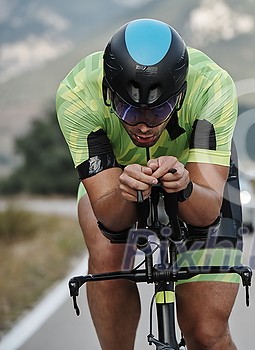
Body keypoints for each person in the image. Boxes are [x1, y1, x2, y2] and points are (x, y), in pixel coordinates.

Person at [56, 18, 243, 350]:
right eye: (127, 110)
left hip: (194, 170)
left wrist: (185, 186)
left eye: (159, 112)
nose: (143, 126)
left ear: (181, 97)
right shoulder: (77, 93)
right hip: (116, 173)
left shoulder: (211, 87)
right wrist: (126, 192)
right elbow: (111, 220)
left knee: (207, 332)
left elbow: (206, 213)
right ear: (106, 93)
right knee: (106, 258)